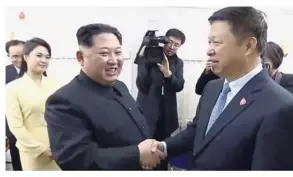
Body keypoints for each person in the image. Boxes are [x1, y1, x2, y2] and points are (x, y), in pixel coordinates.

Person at [152, 6, 293, 170]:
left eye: (216, 42)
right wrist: (162, 147)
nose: (209, 50)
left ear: (248, 46)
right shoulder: (212, 88)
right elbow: (197, 131)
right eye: (209, 42)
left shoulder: (280, 107)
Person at [44, 23, 164, 170]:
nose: (114, 60)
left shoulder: (120, 86)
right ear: (81, 57)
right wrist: (136, 155)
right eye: (104, 53)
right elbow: (76, 159)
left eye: (118, 52)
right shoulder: (64, 101)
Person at [6, 37, 62, 171]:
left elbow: (64, 118)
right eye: (39, 55)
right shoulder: (12, 88)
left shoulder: (56, 84)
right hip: (32, 152)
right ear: (25, 57)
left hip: (58, 150)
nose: (44, 60)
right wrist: (42, 149)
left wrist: (62, 145)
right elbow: (16, 126)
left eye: (47, 57)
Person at [5, 39, 24, 171]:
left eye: (22, 55)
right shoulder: (4, 73)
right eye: (15, 56)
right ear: (9, 57)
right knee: (18, 164)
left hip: (33, 126)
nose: (20, 59)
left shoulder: (37, 70)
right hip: (12, 128)